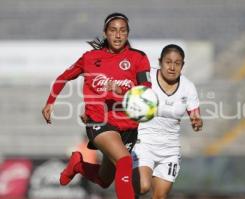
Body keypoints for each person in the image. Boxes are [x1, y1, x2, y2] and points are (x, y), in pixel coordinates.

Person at [42, 12, 151, 199]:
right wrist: (50, 102)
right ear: (105, 32)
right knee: (124, 161)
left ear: (128, 33)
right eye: (113, 30)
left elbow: (146, 92)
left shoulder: (138, 58)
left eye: (122, 31)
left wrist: (122, 93)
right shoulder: (90, 58)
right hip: (99, 120)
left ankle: (77, 164)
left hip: (128, 126)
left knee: (105, 179)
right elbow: (64, 77)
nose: (118, 35)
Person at [131, 44, 203, 199]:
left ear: (182, 65)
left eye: (177, 63)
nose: (172, 67)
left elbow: (195, 115)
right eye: (168, 62)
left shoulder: (188, 87)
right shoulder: (146, 77)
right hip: (143, 142)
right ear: (160, 62)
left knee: (160, 196)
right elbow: (126, 93)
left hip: (169, 149)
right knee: (143, 187)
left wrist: (197, 122)